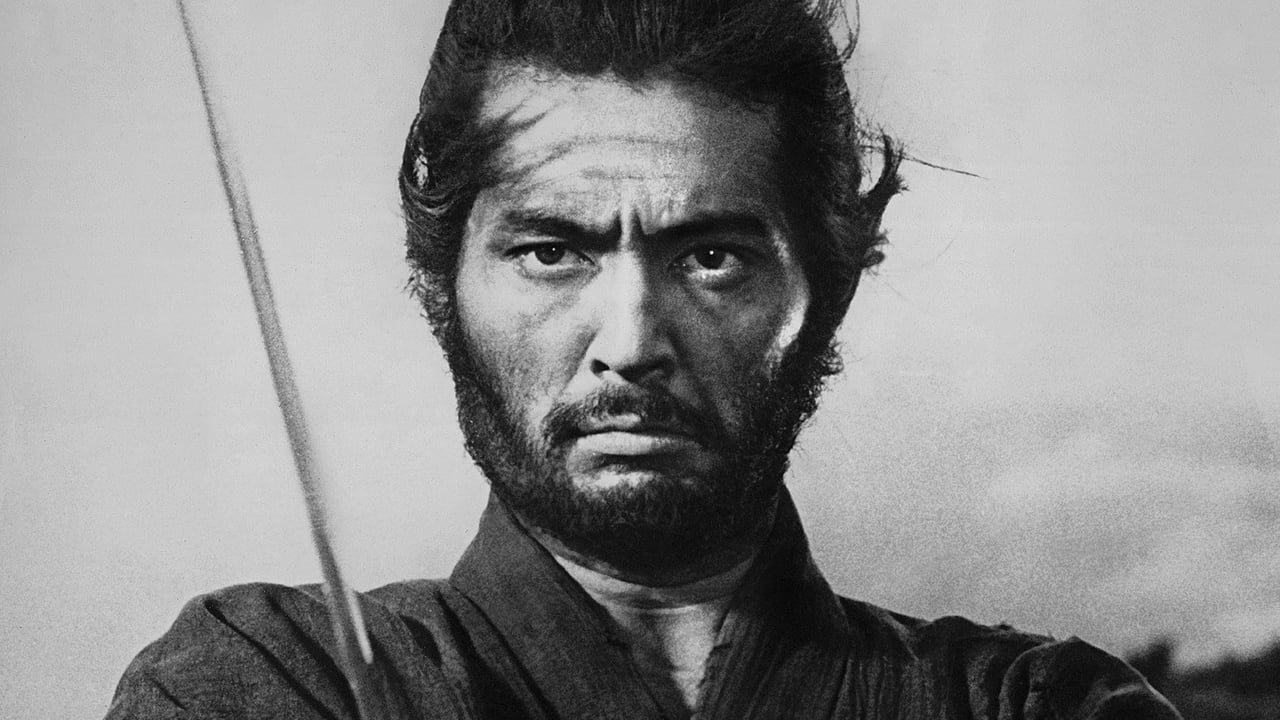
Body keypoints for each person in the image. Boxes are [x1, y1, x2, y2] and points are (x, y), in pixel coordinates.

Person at [107, 0, 1182, 718]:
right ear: (441, 285)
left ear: (830, 287)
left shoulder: (1031, 704)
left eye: (710, 258)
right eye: (550, 252)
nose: (629, 345)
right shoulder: (266, 680)